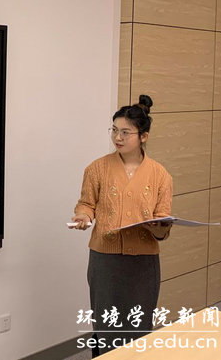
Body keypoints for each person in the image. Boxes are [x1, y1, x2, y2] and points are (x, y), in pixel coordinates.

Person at [71, 94, 173, 357]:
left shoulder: (160, 175)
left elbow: (163, 219)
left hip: (143, 263)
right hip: (105, 261)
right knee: (106, 327)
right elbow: (86, 204)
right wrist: (83, 216)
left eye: (125, 132)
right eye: (114, 130)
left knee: (138, 328)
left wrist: (159, 226)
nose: (118, 137)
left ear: (143, 136)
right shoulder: (96, 169)